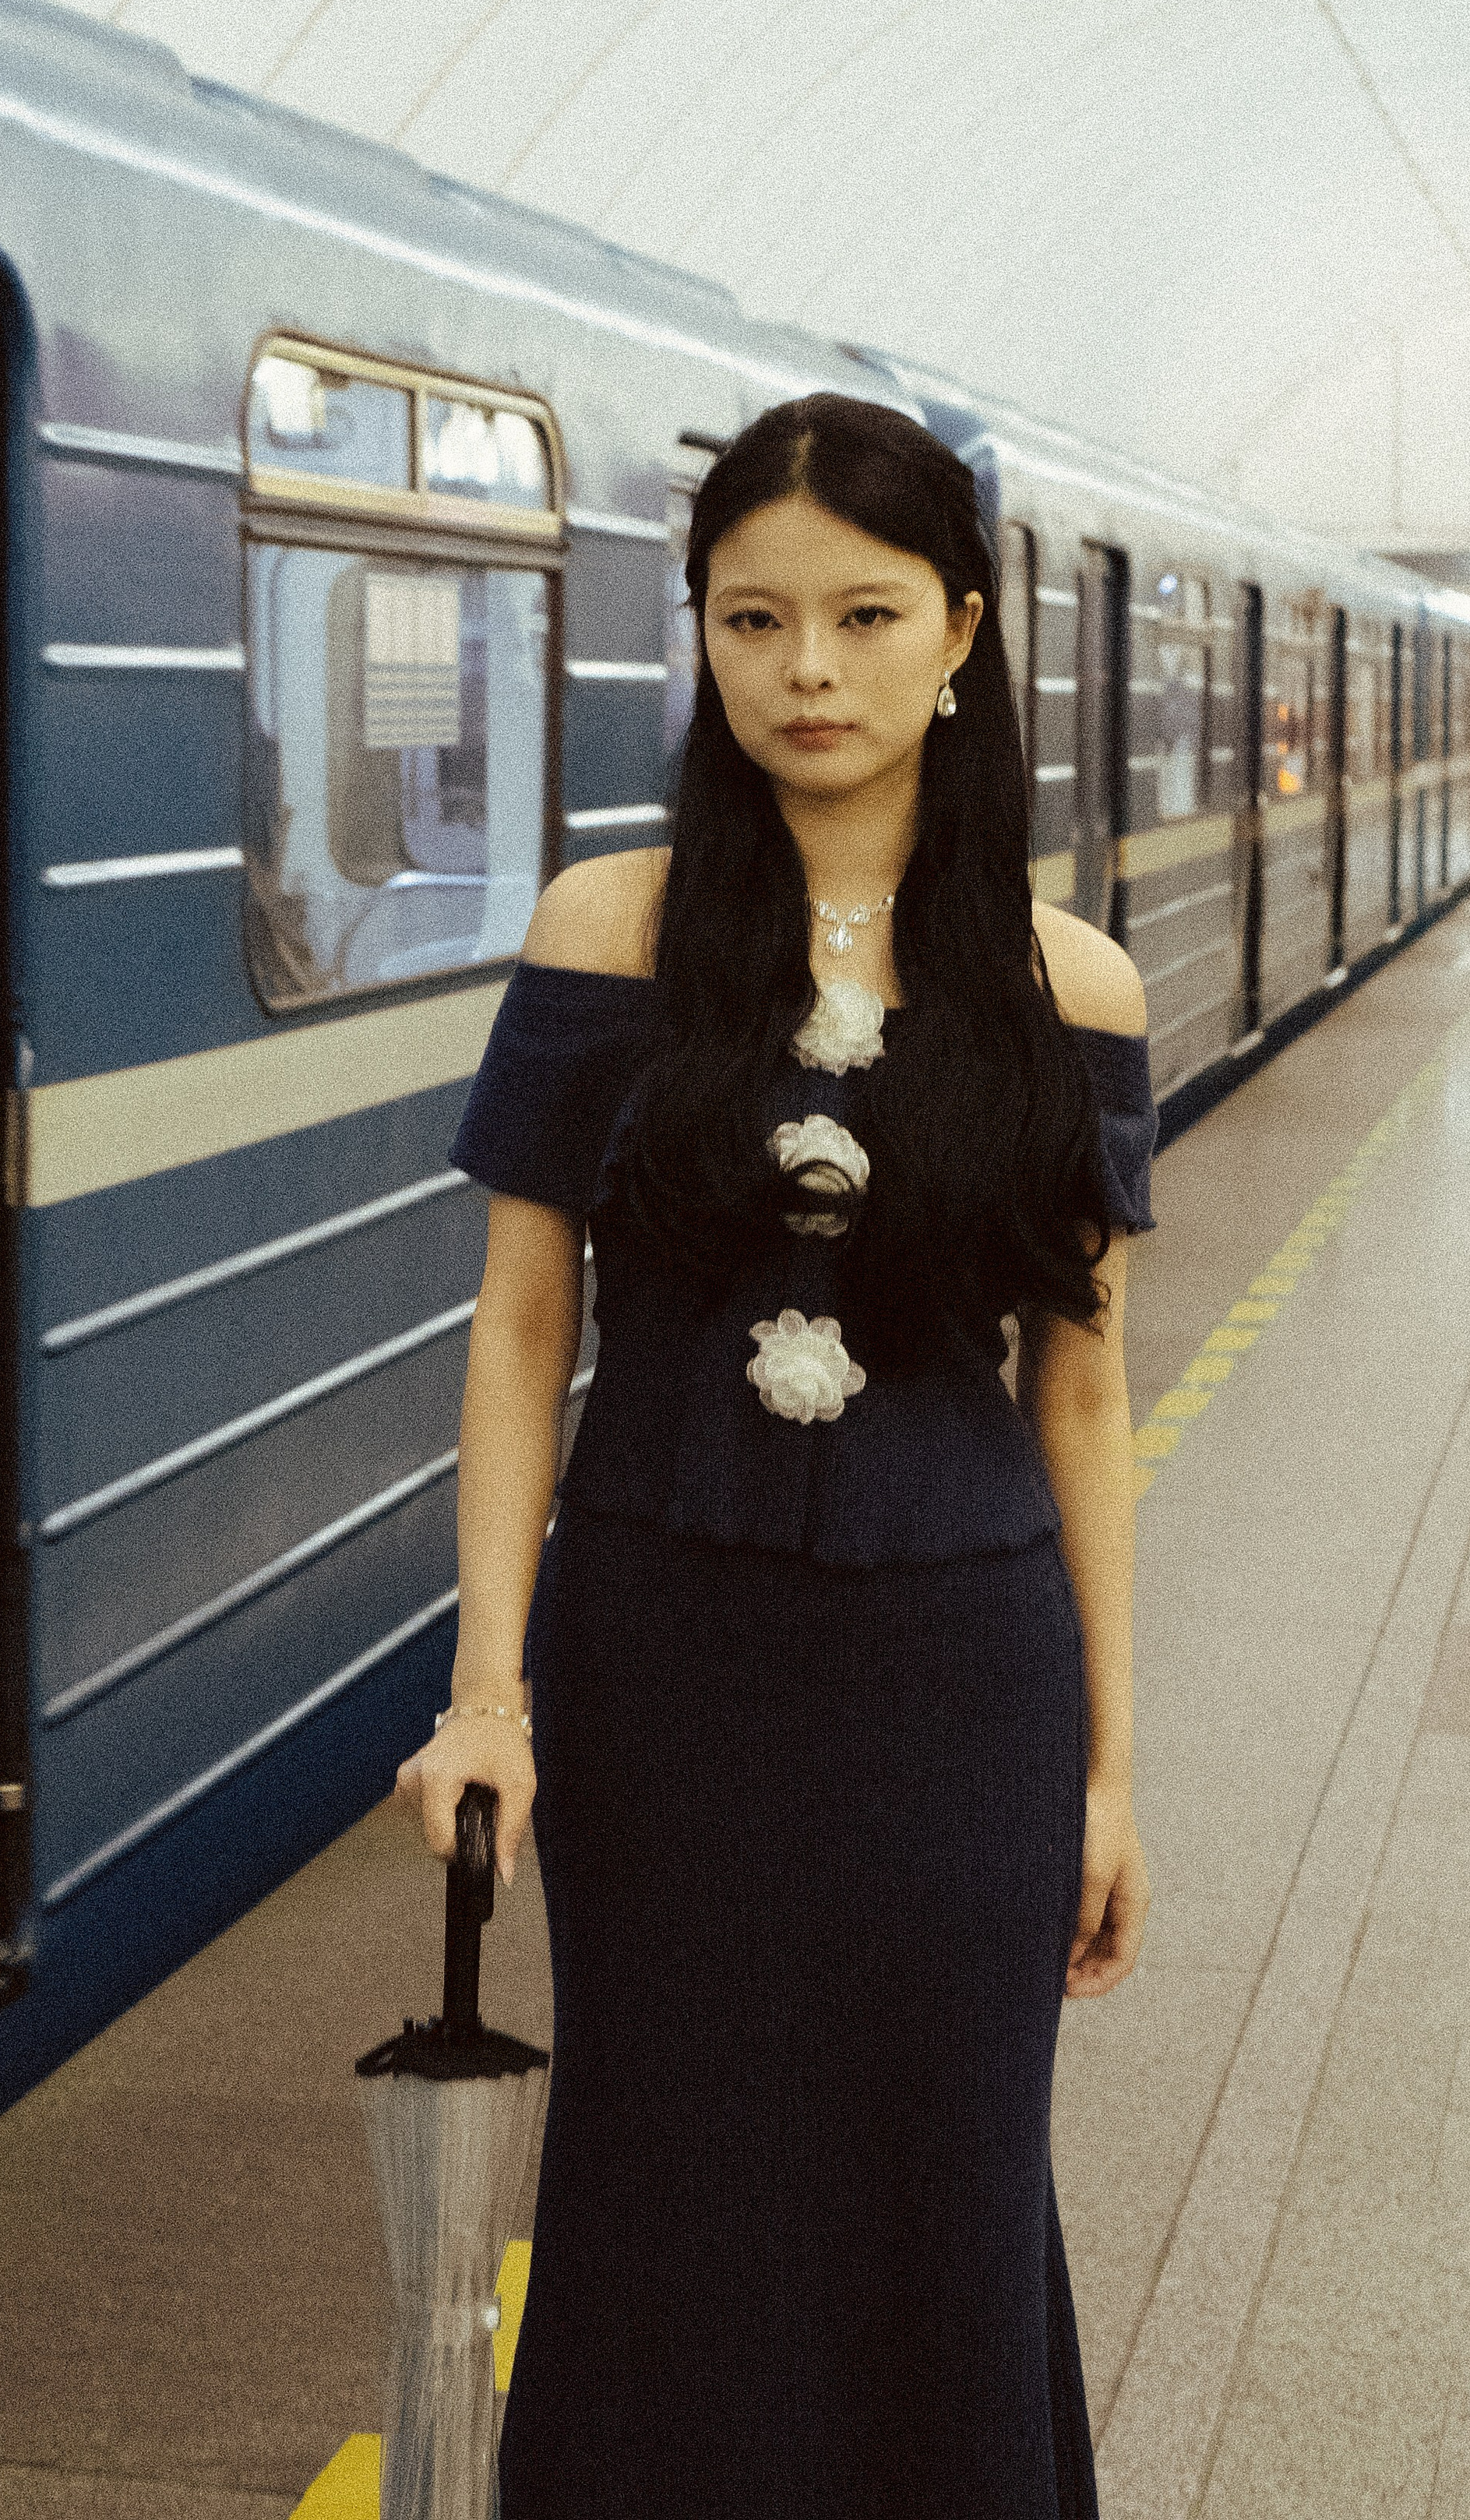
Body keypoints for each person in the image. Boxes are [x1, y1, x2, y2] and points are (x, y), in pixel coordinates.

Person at [397, 393, 1154, 2519]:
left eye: (860, 615)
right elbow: (522, 1324)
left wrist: (1109, 1766)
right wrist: (490, 1693)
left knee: (951, 2168)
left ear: (961, 635)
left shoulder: (1062, 987)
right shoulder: (605, 933)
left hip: (963, 1687)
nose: (804, 671)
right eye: (753, 619)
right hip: (669, 1668)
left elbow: (1080, 1394)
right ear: (704, 640)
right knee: (669, 2174)